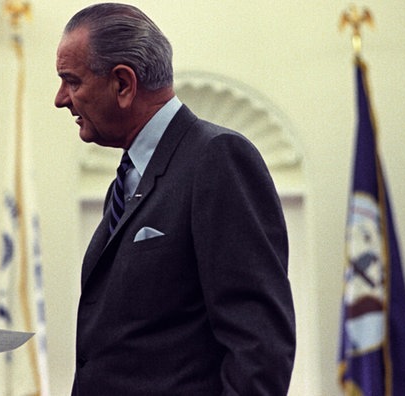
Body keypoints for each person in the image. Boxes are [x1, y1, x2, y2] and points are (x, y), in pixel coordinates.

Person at [55, 3, 296, 395]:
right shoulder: (127, 183)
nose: (61, 99)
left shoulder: (217, 159)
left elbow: (259, 347)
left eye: (72, 81)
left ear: (123, 84)